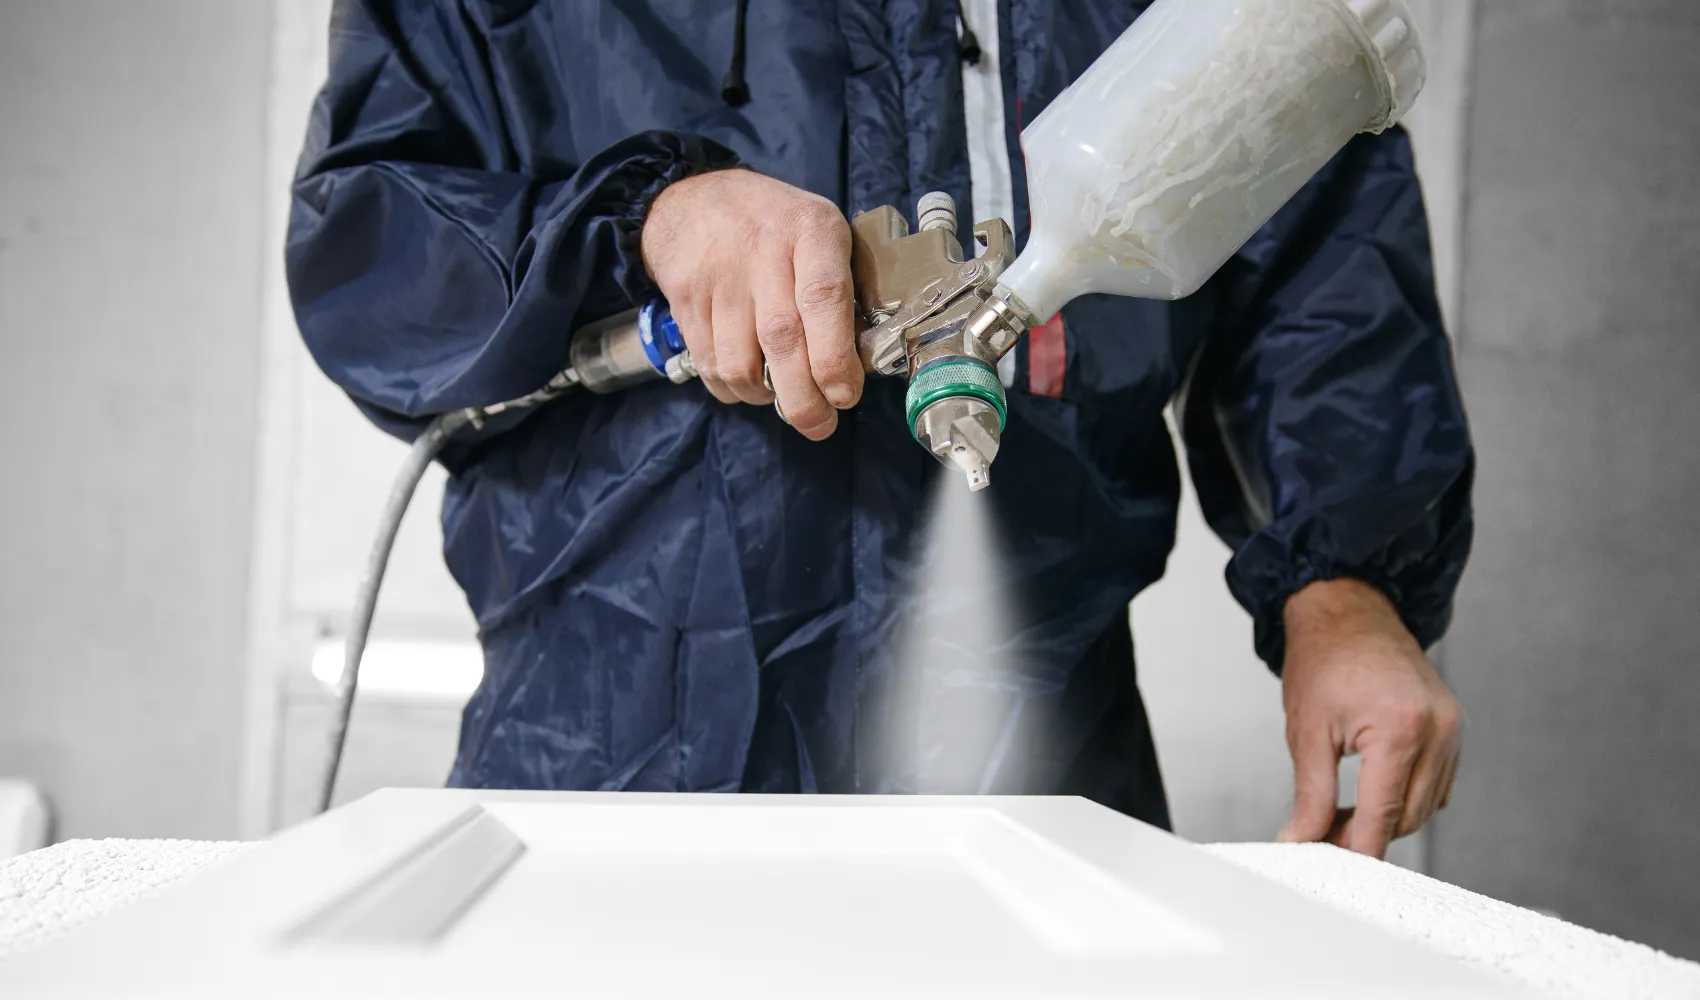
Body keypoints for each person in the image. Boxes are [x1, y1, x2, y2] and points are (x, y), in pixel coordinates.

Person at [287, 1, 1472, 860]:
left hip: (1041, 760)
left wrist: (1344, 584)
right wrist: (648, 218)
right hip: (611, 756)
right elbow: (369, 233)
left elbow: (1310, 229)